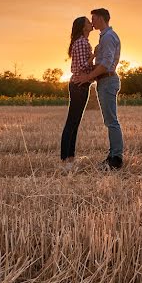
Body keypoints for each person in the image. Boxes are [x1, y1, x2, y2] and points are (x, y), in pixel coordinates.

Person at [72, 7, 123, 170]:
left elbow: (106, 65)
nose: (92, 22)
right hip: (105, 81)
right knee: (110, 120)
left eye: (93, 18)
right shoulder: (105, 37)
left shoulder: (108, 38)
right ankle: (113, 155)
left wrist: (87, 77)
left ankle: (116, 159)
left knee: (111, 121)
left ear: (100, 18)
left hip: (108, 81)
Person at [60, 16, 93, 169]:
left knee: (75, 122)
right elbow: (79, 68)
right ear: (82, 27)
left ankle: (70, 159)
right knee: (72, 122)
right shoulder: (81, 43)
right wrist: (94, 56)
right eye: (88, 22)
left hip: (82, 85)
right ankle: (65, 159)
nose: (91, 23)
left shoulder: (83, 42)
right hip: (78, 85)